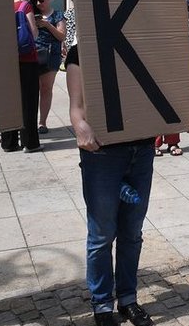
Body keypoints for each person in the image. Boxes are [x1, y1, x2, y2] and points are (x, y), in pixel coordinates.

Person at [65, 44, 155, 326]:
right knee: (102, 234)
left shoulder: (143, 46)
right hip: (102, 154)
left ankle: (128, 300)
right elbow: (76, 107)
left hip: (141, 150)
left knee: (132, 232)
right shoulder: (81, 53)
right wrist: (80, 125)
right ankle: (102, 305)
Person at [4, 0, 42, 153]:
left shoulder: (4, 6)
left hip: (7, 59)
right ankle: (30, 142)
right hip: (27, 59)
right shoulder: (25, 5)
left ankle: (9, 142)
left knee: (9, 101)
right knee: (28, 101)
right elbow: (33, 32)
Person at [33, 0, 67, 135]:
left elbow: (61, 36)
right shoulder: (32, 14)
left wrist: (47, 25)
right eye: (36, 1)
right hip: (33, 55)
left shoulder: (58, 15)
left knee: (46, 89)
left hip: (50, 56)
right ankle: (30, 121)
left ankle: (42, 122)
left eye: (41, 0)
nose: (39, 3)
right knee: (32, 90)